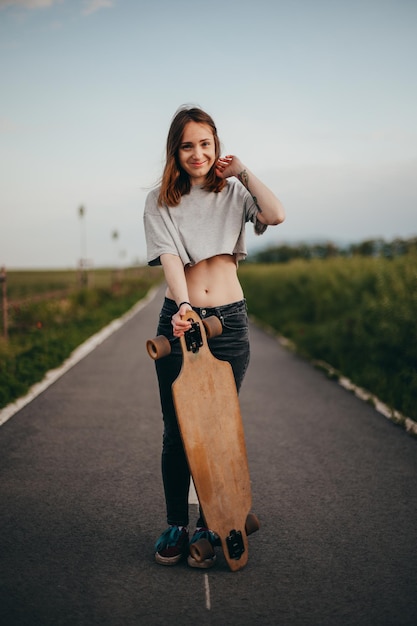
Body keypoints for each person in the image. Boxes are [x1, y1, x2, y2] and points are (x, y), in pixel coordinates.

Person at [143, 105, 285, 568]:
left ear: (216, 146)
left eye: (205, 143)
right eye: (187, 145)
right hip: (180, 319)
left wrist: (243, 170)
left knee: (217, 429)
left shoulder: (234, 192)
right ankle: (175, 525)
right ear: (175, 151)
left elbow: (276, 214)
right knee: (178, 428)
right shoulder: (159, 200)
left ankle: (212, 522)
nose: (197, 153)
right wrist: (183, 307)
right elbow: (168, 258)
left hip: (230, 321)